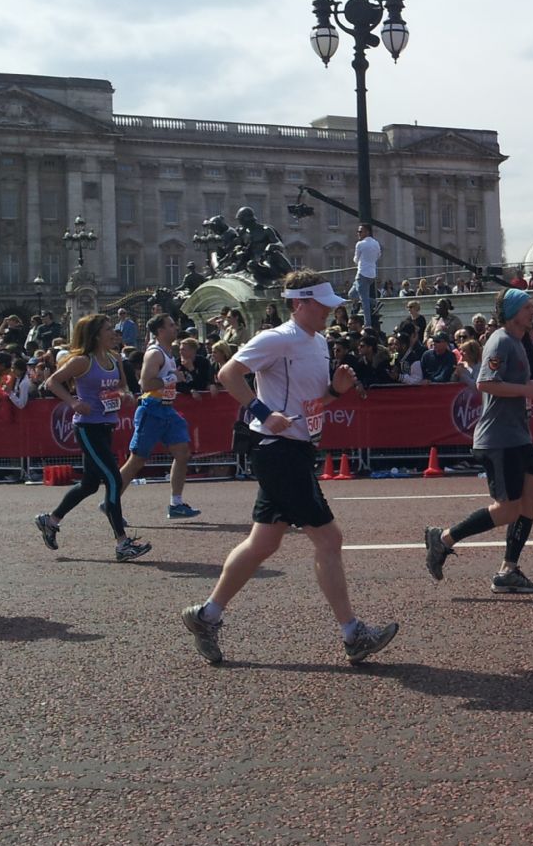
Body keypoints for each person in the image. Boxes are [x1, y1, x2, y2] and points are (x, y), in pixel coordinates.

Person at [181, 270, 398, 666]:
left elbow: (310, 406)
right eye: (322, 306)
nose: (329, 314)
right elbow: (228, 373)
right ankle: (352, 634)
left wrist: (335, 392)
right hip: (277, 449)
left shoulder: (316, 343)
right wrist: (264, 411)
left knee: (264, 542)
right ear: (300, 303)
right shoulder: (278, 338)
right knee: (329, 539)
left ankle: (205, 615)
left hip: (294, 448)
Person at [424, 289, 533, 593]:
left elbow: (510, 384)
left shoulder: (520, 342)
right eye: (526, 306)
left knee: (531, 501)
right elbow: (484, 383)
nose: (532, 310)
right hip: (500, 438)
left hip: (518, 435)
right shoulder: (501, 340)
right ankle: (442, 539)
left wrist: (531, 388)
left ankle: (508, 570)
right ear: (511, 312)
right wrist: (526, 391)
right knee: (508, 509)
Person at [34, 314, 152, 562]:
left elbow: (122, 386)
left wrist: (125, 394)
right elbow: (52, 382)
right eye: (109, 329)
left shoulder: (114, 358)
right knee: (113, 479)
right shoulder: (82, 361)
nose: (114, 333)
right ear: (96, 334)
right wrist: (73, 402)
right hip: (87, 427)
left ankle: (51, 520)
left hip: (106, 424)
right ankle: (122, 543)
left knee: (89, 484)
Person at [119, 313, 201, 519]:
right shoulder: (154, 354)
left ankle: (176, 504)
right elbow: (145, 384)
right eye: (171, 325)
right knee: (136, 461)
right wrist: (173, 377)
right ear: (160, 331)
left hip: (167, 409)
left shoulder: (168, 352)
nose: (176, 328)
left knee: (183, 454)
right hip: (152, 409)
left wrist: (174, 379)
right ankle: (111, 501)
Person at [353, 223, 382, 332]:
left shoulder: (360, 244)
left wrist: (360, 261)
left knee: (364, 300)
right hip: (372, 274)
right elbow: (379, 255)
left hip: (362, 273)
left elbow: (356, 259)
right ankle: (374, 302)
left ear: (367, 232)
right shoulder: (376, 243)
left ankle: (367, 324)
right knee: (353, 294)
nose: (358, 234)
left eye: (360, 231)